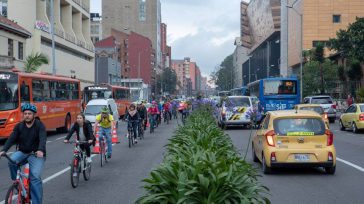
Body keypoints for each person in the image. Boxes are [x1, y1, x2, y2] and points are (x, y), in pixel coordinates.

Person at [0, 103, 46, 204]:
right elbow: (12, 138)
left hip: (36, 154)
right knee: (11, 161)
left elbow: (43, 138)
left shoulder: (39, 125)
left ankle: (37, 202)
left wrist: (41, 150)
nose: (27, 115)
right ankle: (17, 183)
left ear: (33, 115)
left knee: (35, 177)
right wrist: (4, 150)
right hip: (22, 152)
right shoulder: (19, 126)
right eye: (25, 114)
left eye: (29, 114)